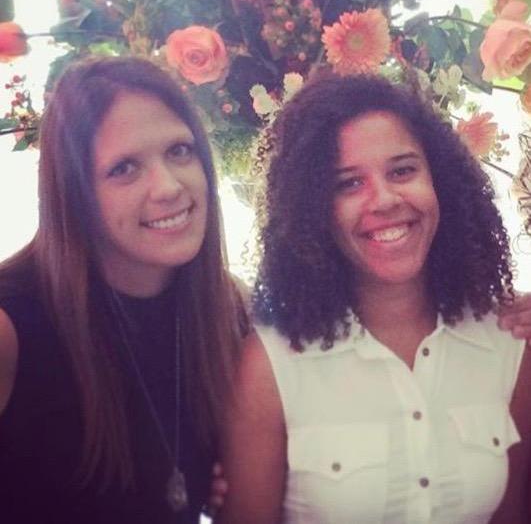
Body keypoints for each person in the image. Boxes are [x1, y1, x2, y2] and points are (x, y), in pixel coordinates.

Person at [218, 74, 531, 523]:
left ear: (440, 180)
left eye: (402, 171)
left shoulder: (507, 339)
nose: (383, 199)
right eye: (348, 183)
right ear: (312, 210)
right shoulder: (269, 365)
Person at [0, 56, 245, 523]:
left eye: (179, 150)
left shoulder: (225, 310)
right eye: (124, 168)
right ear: (74, 193)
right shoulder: (10, 328)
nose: (168, 187)